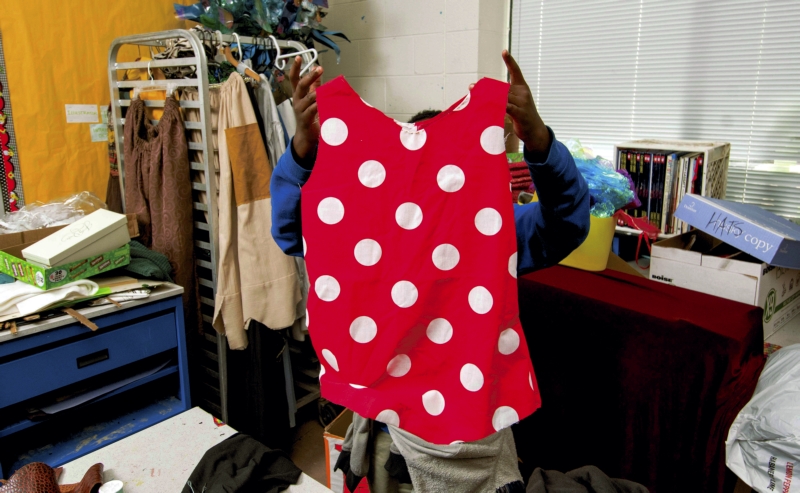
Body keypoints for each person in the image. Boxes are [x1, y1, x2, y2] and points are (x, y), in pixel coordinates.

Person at [271, 51, 590, 492]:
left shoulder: (492, 225)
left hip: (467, 427)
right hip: (383, 423)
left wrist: (540, 142)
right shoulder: (369, 226)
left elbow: (567, 224)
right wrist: (302, 153)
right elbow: (294, 232)